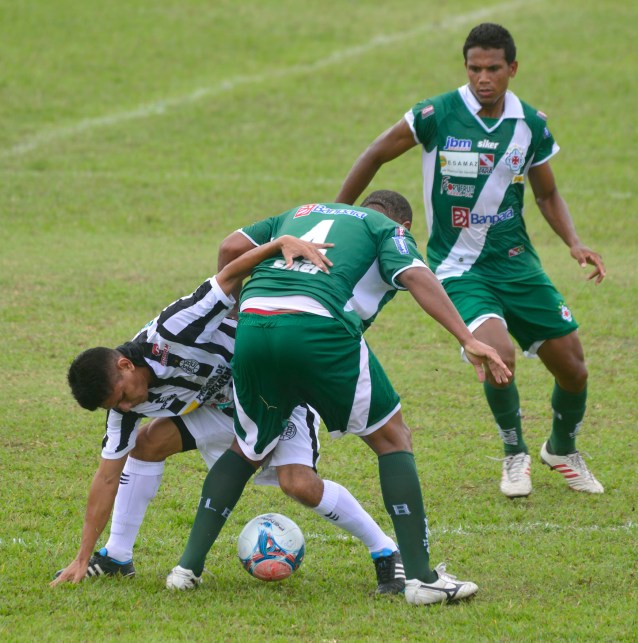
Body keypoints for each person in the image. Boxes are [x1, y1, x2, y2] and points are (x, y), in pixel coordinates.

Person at [165, 193, 512, 606]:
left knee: (247, 447)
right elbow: (418, 276)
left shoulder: (299, 211)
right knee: (393, 439)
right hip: (318, 327)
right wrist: (467, 338)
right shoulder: (386, 230)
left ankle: (186, 569)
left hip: (254, 325)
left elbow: (229, 248)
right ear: (403, 227)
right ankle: (421, 580)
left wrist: (246, 304)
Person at [335, 23, 606, 498]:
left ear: (512, 69)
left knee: (574, 368)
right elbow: (375, 153)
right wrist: (336, 214)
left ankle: (561, 449)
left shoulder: (530, 126)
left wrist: (574, 242)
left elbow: (547, 193)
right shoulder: (436, 114)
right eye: (475, 68)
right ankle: (514, 452)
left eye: (493, 69)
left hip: (518, 265)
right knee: (497, 355)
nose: (483, 78)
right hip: (457, 267)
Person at [51, 234, 408, 595]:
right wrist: (82, 556)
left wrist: (278, 244)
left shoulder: (174, 329)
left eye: (123, 397)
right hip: (224, 408)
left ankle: (386, 551)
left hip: (277, 390)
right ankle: (116, 555)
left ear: (125, 365)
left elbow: (228, 276)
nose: (127, 408)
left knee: (298, 484)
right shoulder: (124, 407)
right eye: (117, 407)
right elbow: (107, 477)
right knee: (144, 445)